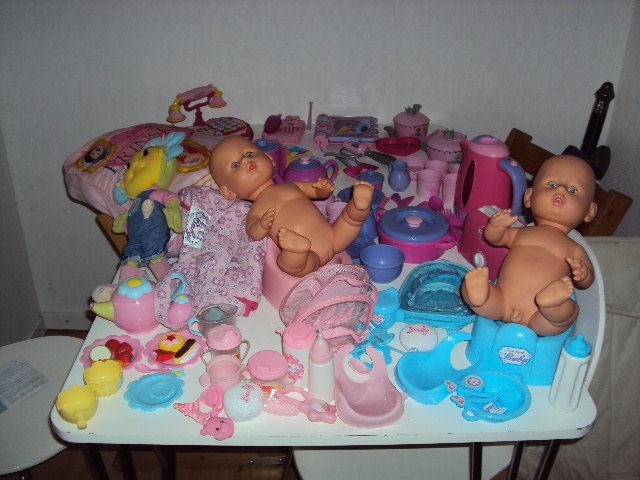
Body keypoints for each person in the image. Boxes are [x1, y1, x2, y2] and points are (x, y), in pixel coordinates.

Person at [461, 155, 598, 336]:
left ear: (589, 211)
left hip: (539, 316)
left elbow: (588, 281)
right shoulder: (523, 232)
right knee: (469, 288)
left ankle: (552, 304)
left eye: (573, 190)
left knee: (569, 313)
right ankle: (480, 296)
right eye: (551, 185)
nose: (561, 190)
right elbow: (495, 239)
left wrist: (583, 274)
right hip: (502, 300)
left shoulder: (574, 249)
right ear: (529, 196)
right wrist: (495, 227)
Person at [209, 136, 373, 277]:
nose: (246, 160)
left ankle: (358, 207)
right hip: (311, 256)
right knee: (287, 264)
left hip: (332, 235)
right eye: (235, 165)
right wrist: (262, 225)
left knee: (350, 220)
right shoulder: (256, 210)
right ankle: (296, 251)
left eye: (249, 154)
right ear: (229, 192)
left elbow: (318, 193)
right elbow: (253, 233)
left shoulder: (291, 185)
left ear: (269, 158)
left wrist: (323, 189)